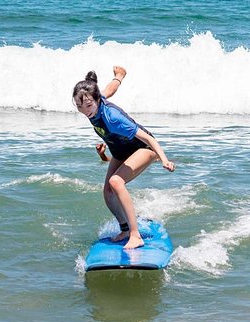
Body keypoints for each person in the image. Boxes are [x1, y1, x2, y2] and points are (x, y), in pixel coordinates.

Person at [73, 66, 175, 249]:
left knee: (116, 182)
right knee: (107, 191)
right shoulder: (93, 101)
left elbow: (148, 138)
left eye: (88, 106)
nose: (84, 111)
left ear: (96, 100)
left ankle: (136, 236)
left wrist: (164, 159)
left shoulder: (113, 118)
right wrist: (118, 77)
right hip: (121, 150)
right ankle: (126, 228)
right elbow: (109, 90)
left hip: (143, 148)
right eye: (79, 106)